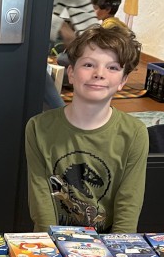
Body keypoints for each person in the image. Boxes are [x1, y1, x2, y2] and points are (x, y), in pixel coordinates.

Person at [25, 24, 147, 234]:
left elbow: (129, 203)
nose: (99, 74)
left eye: (113, 68)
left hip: (109, 243)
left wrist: (118, 249)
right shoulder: (38, 127)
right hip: (51, 240)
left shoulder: (135, 133)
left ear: (123, 81)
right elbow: (41, 199)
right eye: (89, 64)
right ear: (71, 73)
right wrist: (52, 245)